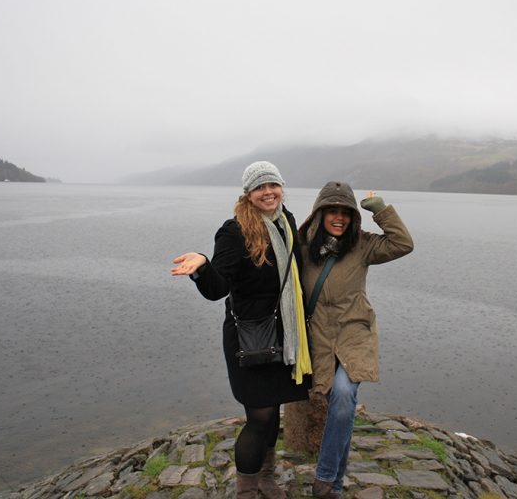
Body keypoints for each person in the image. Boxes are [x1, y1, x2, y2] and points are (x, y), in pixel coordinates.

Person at [171, 161, 312, 499]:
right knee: (259, 416)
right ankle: (246, 490)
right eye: (260, 187)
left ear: (281, 187)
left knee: (273, 410)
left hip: (283, 336)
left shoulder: (286, 222)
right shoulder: (234, 231)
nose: (268, 192)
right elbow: (217, 287)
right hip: (249, 338)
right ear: (248, 194)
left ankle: (266, 478)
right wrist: (202, 266)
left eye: (273, 185)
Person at [298, 181, 413, 499]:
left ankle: (323, 477)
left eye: (345, 212)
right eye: (331, 211)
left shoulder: (363, 245)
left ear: (353, 216)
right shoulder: (303, 247)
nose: (338, 218)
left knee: (344, 396)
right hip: (319, 341)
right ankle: (334, 487)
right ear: (319, 214)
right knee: (339, 407)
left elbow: (403, 244)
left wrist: (380, 210)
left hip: (354, 336)